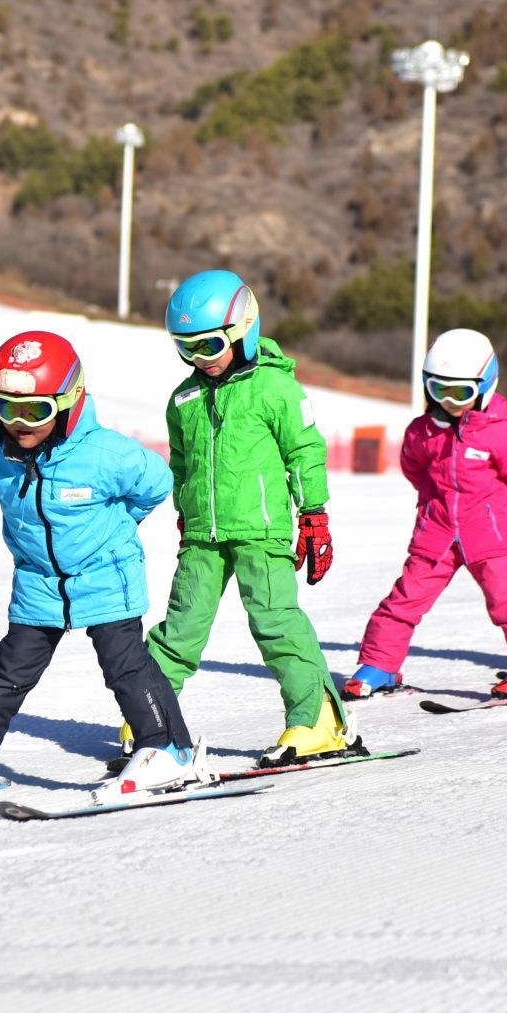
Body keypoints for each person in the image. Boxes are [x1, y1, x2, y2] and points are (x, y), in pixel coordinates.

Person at [0, 331, 204, 806]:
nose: (20, 423)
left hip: (106, 576)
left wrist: (116, 528)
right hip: (39, 585)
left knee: (125, 664)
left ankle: (169, 750)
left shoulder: (107, 454)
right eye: (7, 409)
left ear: (68, 404)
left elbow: (157, 482)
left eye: (36, 411)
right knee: (5, 670)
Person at [143, 270, 347, 766]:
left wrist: (313, 517)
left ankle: (317, 720)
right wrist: (185, 511)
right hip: (203, 537)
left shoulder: (275, 388)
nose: (200, 360)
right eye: (186, 348)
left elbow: (306, 451)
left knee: (276, 624)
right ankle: (151, 722)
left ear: (244, 329)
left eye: (210, 345)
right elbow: (182, 464)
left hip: (262, 532)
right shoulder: (183, 399)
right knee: (179, 629)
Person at [348, 328, 507, 699]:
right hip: (435, 533)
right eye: (439, 390)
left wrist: (488, 504)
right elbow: (414, 470)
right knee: (403, 599)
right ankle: (379, 665)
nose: (450, 401)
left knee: (505, 599)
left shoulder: (500, 436)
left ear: (485, 387)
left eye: (461, 393)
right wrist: (436, 503)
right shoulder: (421, 432)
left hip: (485, 534)